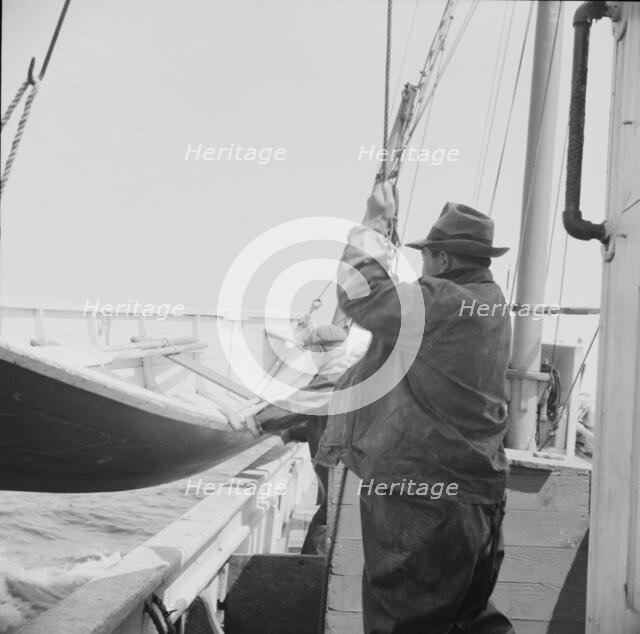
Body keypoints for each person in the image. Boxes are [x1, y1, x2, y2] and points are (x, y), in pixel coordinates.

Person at [318, 183, 515, 633]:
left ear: (443, 261)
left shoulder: (442, 303)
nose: (422, 271)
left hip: (424, 507)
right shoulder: (493, 305)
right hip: (479, 505)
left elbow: (362, 297)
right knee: (470, 622)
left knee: (405, 624)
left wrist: (370, 225)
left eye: (426, 260)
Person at [252, 323, 350, 555]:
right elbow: (322, 421)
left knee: (320, 546)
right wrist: (288, 432)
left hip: (343, 480)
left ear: (319, 350)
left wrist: (255, 422)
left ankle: (316, 584)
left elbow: (298, 405)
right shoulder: (346, 370)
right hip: (340, 480)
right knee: (321, 537)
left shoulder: (336, 375)